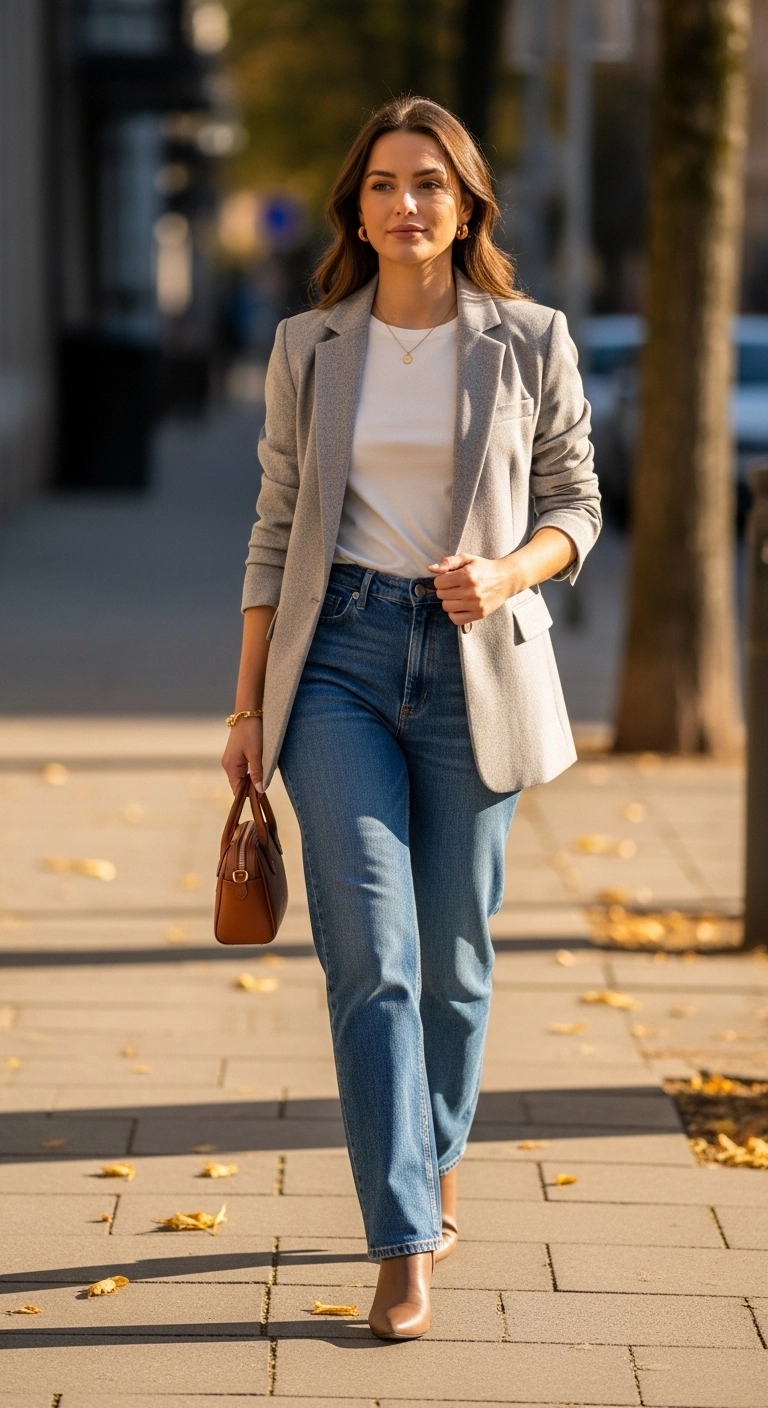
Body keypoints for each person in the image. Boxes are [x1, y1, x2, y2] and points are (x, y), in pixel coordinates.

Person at [222, 95, 600, 1341]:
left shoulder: (529, 338)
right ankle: (402, 1239)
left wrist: (508, 571)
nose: (406, 204)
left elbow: (576, 503)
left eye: (429, 183)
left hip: (474, 660)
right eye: (383, 184)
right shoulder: (309, 345)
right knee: (370, 956)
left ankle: (435, 1160)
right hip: (335, 663)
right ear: (357, 206)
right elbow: (276, 528)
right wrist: (245, 706)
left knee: (453, 962)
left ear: (467, 201)